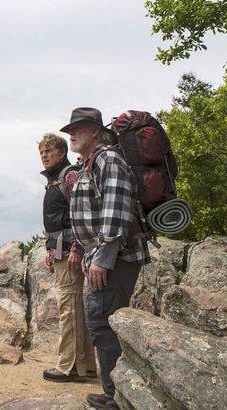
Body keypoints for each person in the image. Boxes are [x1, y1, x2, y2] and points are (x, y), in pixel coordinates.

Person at [61, 107, 151, 409]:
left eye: (79, 128)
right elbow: (91, 215)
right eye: (70, 129)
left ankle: (116, 397)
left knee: (103, 322)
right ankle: (114, 390)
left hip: (115, 258)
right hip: (102, 256)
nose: (72, 133)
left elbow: (117, 211)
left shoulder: (108, 161)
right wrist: (83, 251)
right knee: (101, 321)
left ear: (97, 131)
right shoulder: (89, 164)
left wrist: (102, 258)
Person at [37, 133, 97, 383]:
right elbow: (58, 220)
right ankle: (87, 365)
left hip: (71, 251)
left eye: (49, 151)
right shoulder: (57, 179)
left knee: (68, 307)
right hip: (61, 249)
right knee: (75, 307)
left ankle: (70, 367)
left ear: (62, 153)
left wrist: (77, 248)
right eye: (42, 152)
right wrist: (51, 249)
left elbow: (82, 214)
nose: (44, 155)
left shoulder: (69, 176)